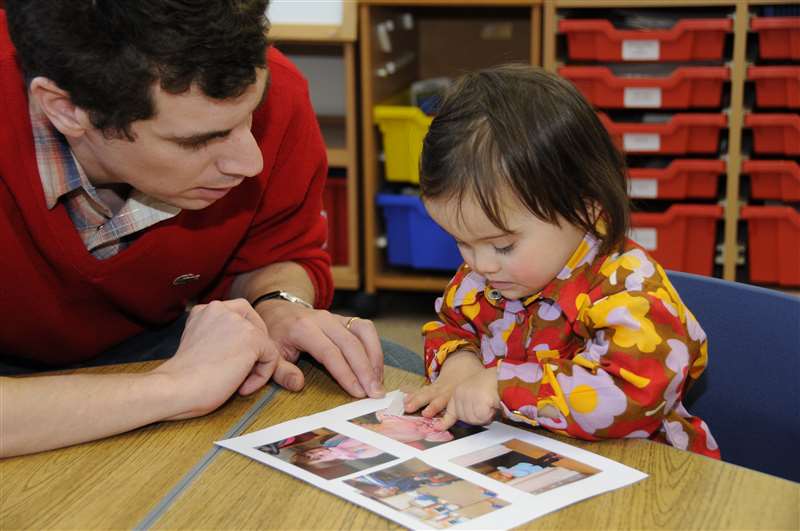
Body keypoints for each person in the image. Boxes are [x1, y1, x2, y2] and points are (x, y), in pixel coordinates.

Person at [0, 1, 418, 458]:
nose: (250, 162)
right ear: (65, 110)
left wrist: (278, 304)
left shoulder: (264, 87)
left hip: (157, 338)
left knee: (390, 371)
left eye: (251, 116)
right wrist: (175, 388)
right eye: (198, 140)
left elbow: (279, 248)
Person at [403, 64, 720, 459]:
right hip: (533, 459)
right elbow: (452, 326)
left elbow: (633, 394)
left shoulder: (629, 290)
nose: (480, 265)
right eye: (461, 241)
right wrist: (460, 367)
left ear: (585, 207)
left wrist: (503, 385)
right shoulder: (488, 275)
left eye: (501, 246)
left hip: (645, 471)